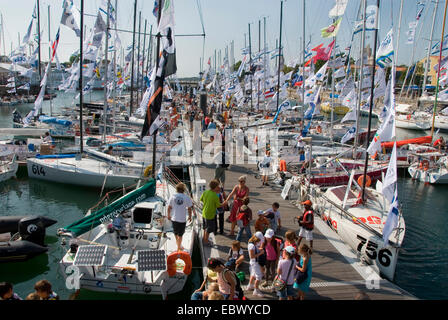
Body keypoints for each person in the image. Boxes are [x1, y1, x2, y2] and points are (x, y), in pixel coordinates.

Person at [167, 182, 194, 252]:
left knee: (176, 233)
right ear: (184, 189)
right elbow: (189, 208)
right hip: (182, 219)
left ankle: (178, 245)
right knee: (180, 234)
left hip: (174, 218)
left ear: (177, 189)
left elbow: (169, 207)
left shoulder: (173, 196)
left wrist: (168, 215)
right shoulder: (186, 197)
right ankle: (179, 248)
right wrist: (190, 216)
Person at [200, 180, 227, 246]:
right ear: (215, 187)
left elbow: (201, 199)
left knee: (205, 227)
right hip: (210, 214)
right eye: (218, 186)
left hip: (204, 212)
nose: (219, 187)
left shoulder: (205, 192)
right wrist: (224, 203)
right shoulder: (215, 196)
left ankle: (204, 239)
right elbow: (218, 205)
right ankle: (206, 242)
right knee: (209, 229)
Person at [247, 232, 265, 297]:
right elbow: (252, 256)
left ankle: (250, 285)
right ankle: (256, 290)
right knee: (259, 276)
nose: (260, 242)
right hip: (255, 263)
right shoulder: (251, 246)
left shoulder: (251, 243)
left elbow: (254, 250)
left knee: (253, 274)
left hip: (253, 262)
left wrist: (259, 249)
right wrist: (261, 253)